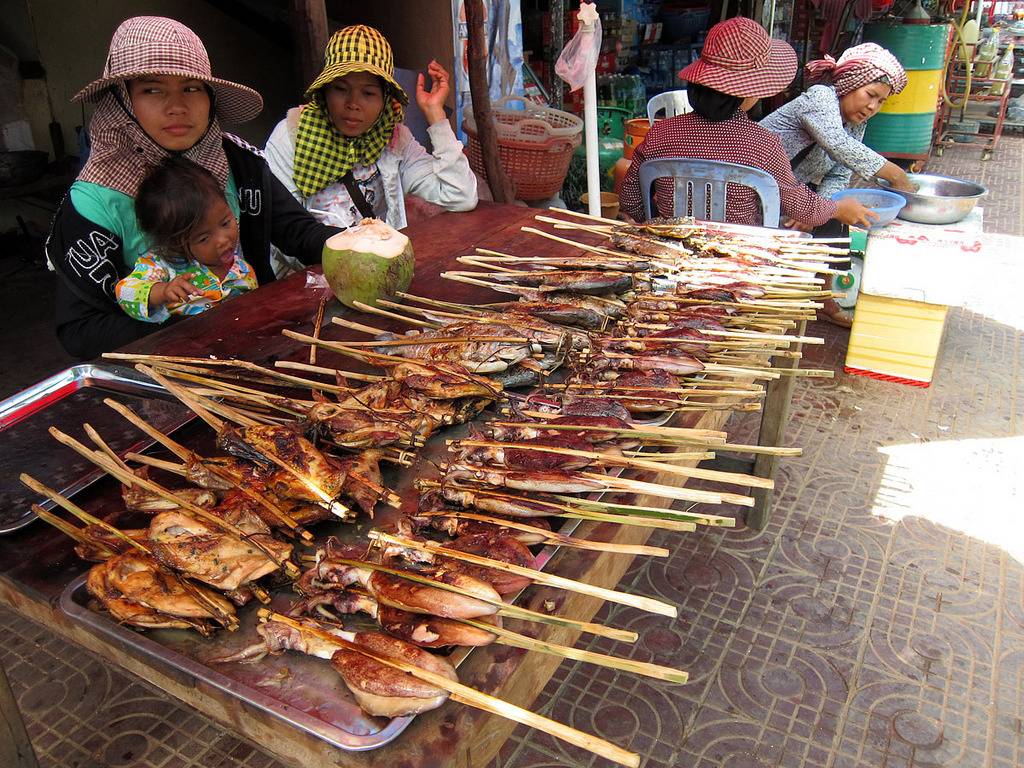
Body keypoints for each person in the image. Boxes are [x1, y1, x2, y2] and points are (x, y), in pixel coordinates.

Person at [47, 16, 340, 359]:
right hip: (162, 375)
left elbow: (296, 231)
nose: (177, 107)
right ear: (122, 100)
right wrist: (196, 331)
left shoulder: (238, 162)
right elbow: (80, 330)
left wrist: (357, 245)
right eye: (152, 89)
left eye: (191, 87)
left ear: (209, 97)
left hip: (256, 348)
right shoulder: (94, 201)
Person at [619, 18, 876, 231]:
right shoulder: (763, 144)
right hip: (742, 258)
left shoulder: (660, 133)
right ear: (750, 92)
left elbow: (631, 197)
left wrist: (651, 224)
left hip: (672, 251)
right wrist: (838, 208)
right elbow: (799, 205)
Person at [264, 24, 477, 234]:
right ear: (324, 91)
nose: (353, 104)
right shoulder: (292, 138)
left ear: (385, 99)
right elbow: (284, 230)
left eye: (368, 93)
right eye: (340, 89)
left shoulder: (394, 140)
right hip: (314, 265)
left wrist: (435, 114)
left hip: (378, 263)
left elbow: (460, 196)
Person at [761, 43, 916, 202]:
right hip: (746, 185)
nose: (872, 107)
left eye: (881, 101)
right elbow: (837, 144)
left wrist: (819, 209)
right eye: (870, 94)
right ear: (850, 84)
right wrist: (897, 175)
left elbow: (838, 175)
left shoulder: (856, 124)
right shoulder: (820, 97)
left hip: (779, 196)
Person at [116, 157, 256, 323]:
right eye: (204, 238)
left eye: (225, 223)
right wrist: (161, 291)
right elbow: (124, 292)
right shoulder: (164, 266)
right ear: (175, 243)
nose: (223, 240)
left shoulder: (239, 266)